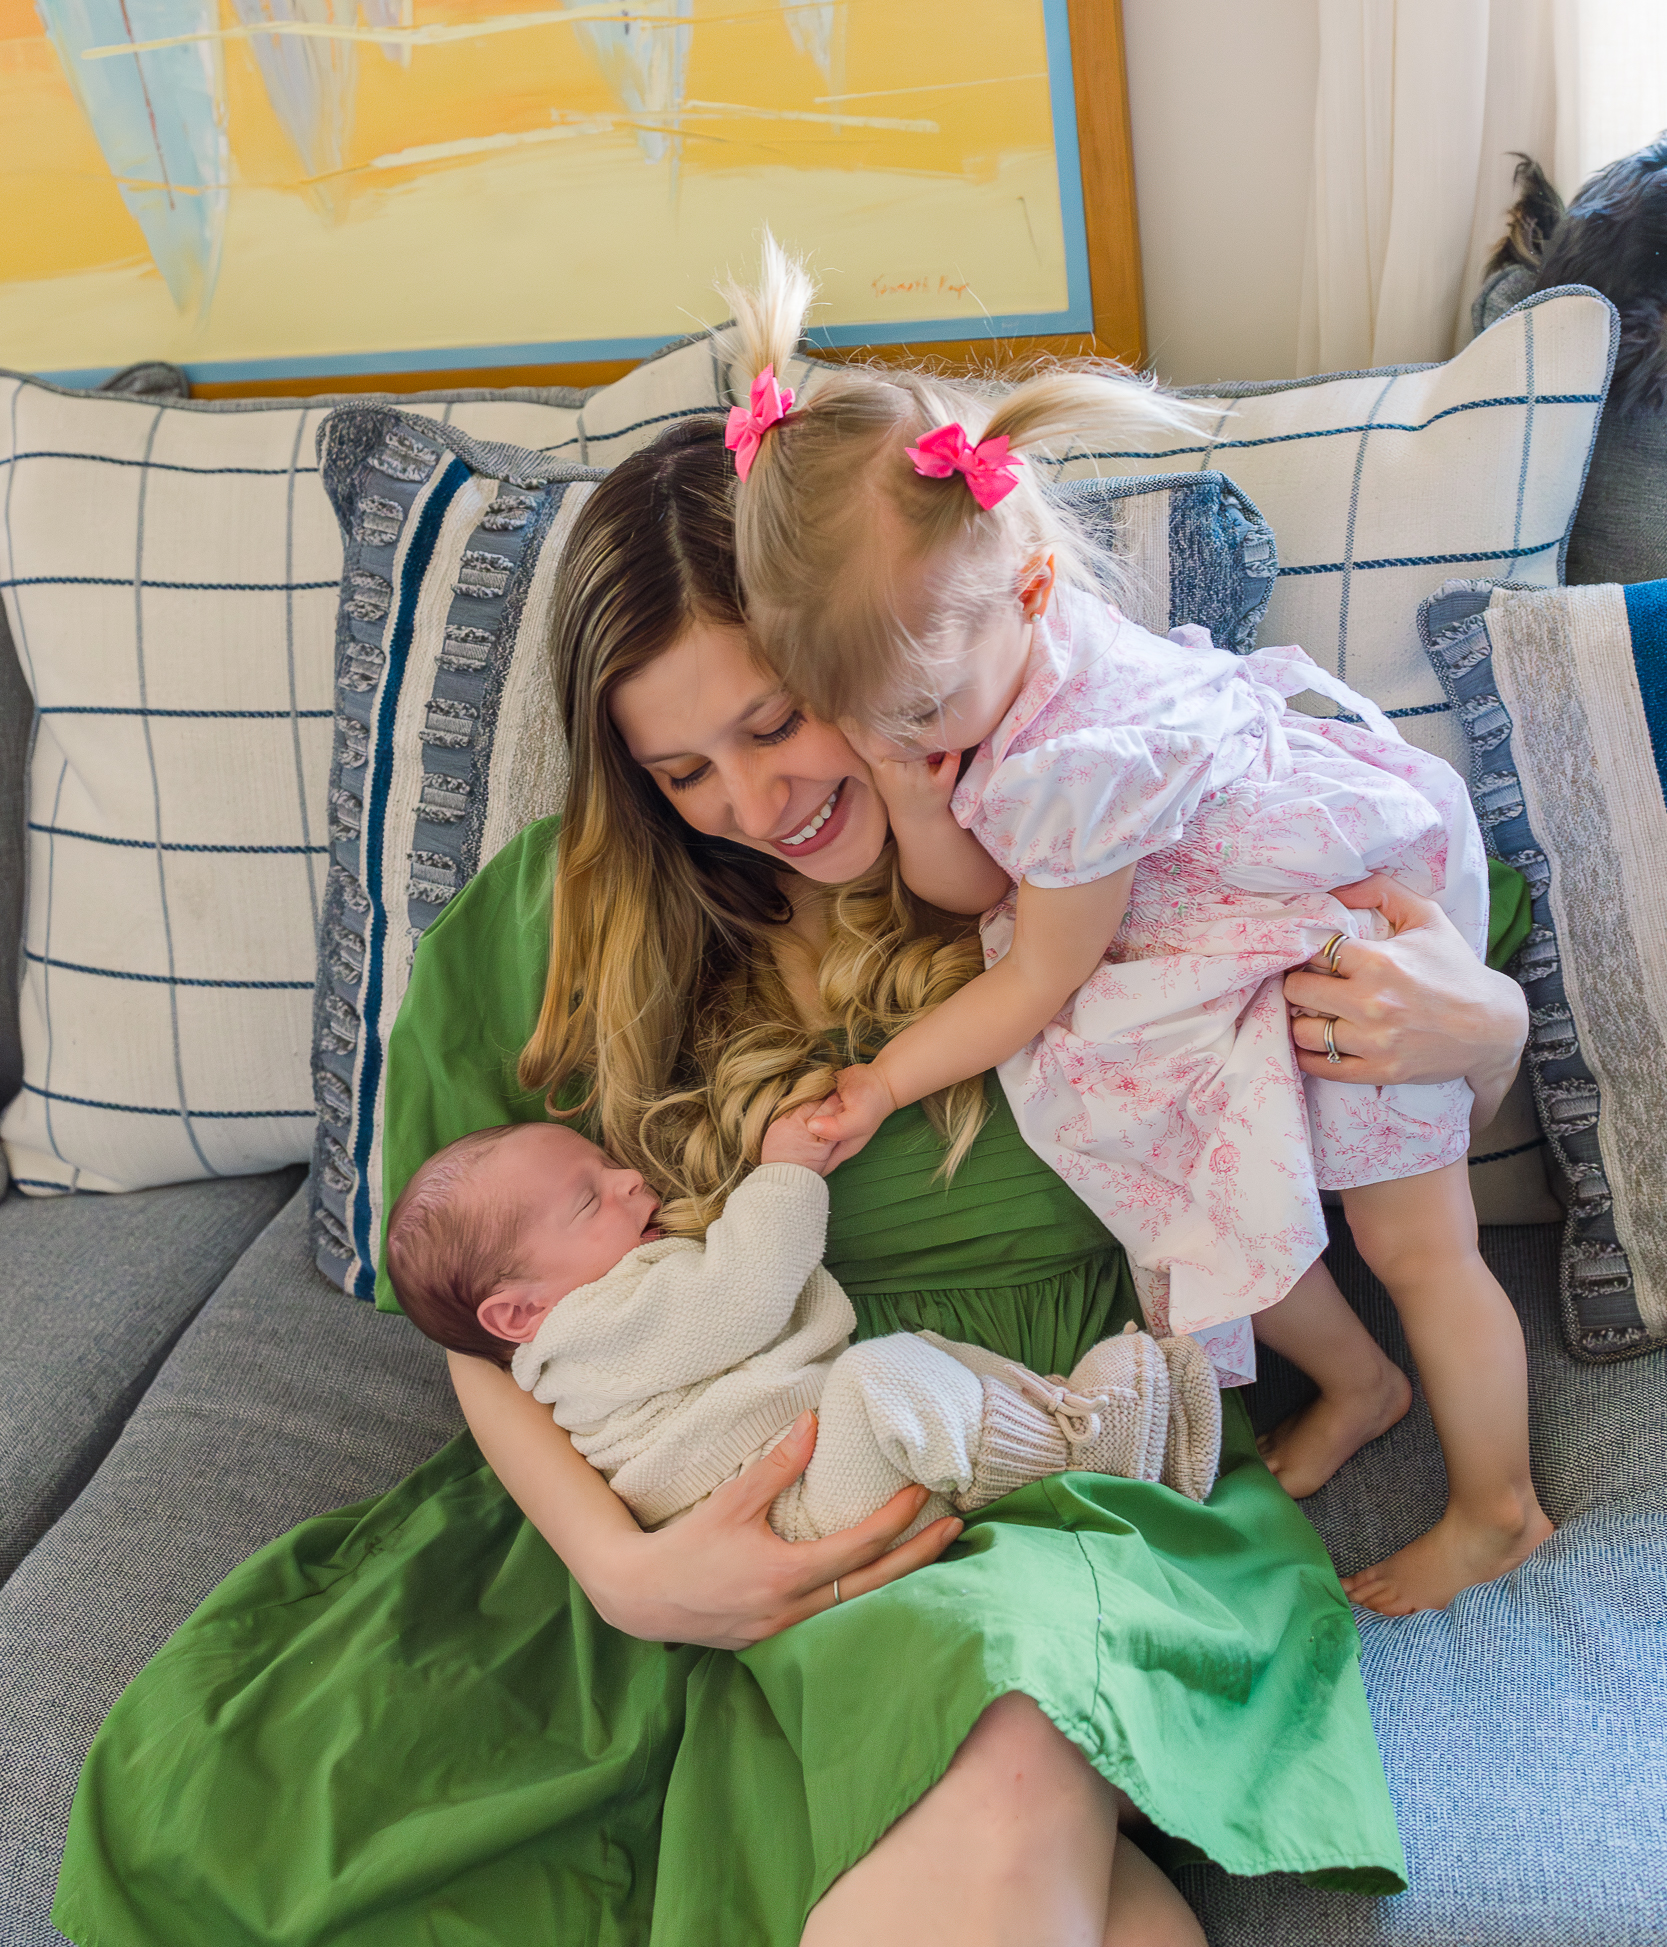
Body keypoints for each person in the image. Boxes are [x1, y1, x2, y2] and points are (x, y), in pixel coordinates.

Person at [52, 414, 1532, 1947]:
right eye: (681, 768)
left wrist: (1475, 1025)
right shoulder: (540, 929)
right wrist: (623, 1572)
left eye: (774, 726)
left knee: (1000, 1720)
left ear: (868, 658)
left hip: (1035, 1470)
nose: (755, 805)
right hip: (696, 1478)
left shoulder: (1090, 836)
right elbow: (477, 1329)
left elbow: (1410, 1061)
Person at [723, 246, 1553, 1618]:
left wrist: (883, 1080)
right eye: (860, 720)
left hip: (1339, 928)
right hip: (1209, 934)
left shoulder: (1074, 757)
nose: (891, 744)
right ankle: (1361, 1384)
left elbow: (1035, 972)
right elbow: (978, 886)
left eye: (918, 717)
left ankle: (1495, 1507)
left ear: (1036, 590)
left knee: (1414, 1245)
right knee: (1195, 1202)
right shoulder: (971, 664)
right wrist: (909, 780)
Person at [386, 1114, 1222, 1537]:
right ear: (519, 1312)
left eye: (609, 1165)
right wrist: (782, 1172)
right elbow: (741, 1296)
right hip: (791, 1519)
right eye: (588, 1198)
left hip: (820, 1486)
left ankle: (1066, 1419)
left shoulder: (588, 1317)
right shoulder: (589, 1332)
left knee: (904, 1376)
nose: (632, 1181)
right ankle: (1087, 1454)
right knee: (879, 1378)